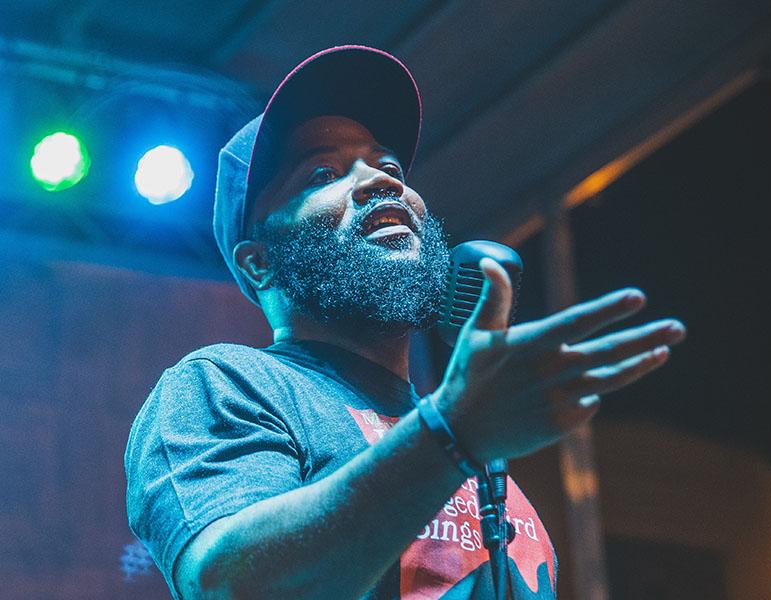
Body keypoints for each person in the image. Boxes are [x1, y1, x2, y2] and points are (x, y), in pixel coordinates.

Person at [125, 46, 686, 599]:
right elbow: (232, 585)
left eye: (388, 166)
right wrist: (452, 433)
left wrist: (456, 430)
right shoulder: (224, 385)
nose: (381, 181)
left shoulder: (471, 434)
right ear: (259, 262)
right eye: (322, 174)